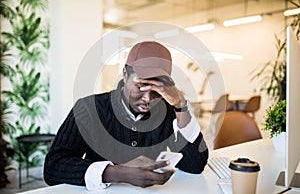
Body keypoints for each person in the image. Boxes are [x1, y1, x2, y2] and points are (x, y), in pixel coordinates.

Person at [44, 41, 209, 190]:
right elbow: (53, 167)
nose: (148, 99)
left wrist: (181, 106)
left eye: (157, 90)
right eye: (141, 86)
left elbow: (195, 165)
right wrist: (117, 173)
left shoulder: (167, 111)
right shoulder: (88, 108)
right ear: (125, 74)